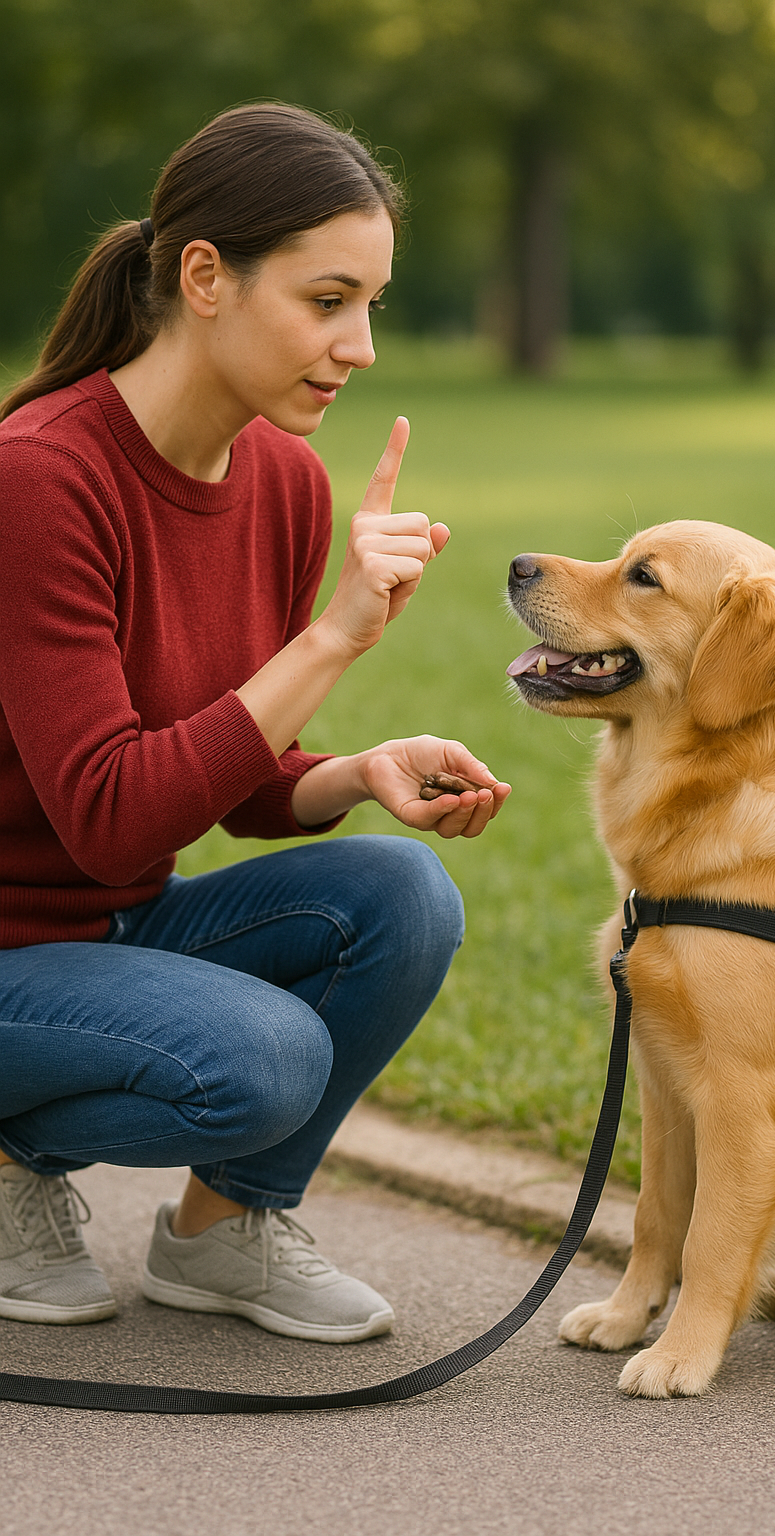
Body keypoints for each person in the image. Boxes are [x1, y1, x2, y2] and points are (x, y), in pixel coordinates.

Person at [0, 103, 511, 1344]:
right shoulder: (39, 479)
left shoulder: (280, 477)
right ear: (205, 277)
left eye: (373, 305)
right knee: (265, 1060)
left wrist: (353, 773)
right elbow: (115, 811)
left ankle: (222, 1237)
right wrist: (332, 639)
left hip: (113, 931)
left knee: (405, 894)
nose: (363, 344)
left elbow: (226, 784)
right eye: (329, 300)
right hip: (18, 948)